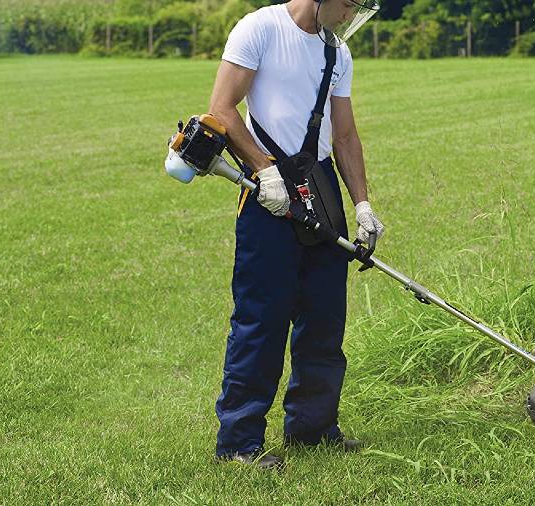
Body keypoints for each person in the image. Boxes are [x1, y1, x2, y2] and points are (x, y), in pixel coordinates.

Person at [207, 0, 382, 470]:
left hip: (320, 188)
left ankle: (313, 428)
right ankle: (239, 444)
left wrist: (362, 204)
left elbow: (343, 135)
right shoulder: (259, 29)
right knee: (261, 320)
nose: (349, 17)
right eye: (348, 5)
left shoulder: (336, 53)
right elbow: (222, 109)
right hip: (269, 192)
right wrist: (264, 171)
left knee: (324, 317)